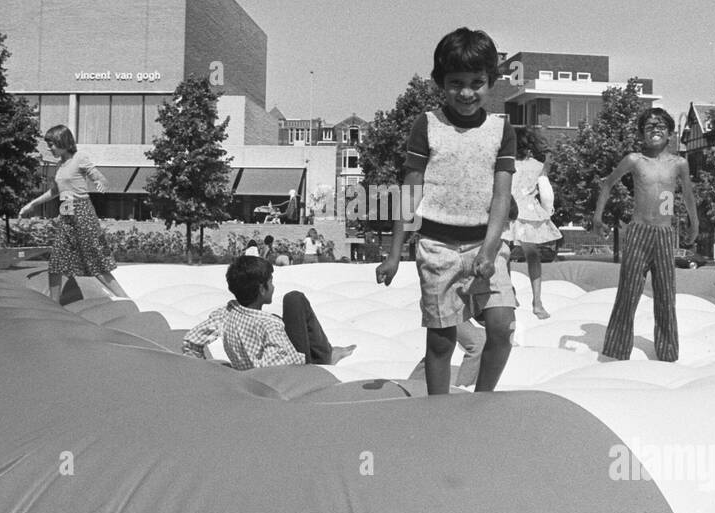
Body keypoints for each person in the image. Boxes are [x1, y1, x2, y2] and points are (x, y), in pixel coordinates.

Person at [375, 26, 518, 395]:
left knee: (501, 326)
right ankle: (438, 409)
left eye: (477, 82)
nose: (466, 92)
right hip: (437, 245)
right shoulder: (428, 125)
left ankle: (483, 399)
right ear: (441, 81)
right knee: (441, 340)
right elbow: (409, 190)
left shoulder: (501, 130)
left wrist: (489, 250)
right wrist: (393, 254)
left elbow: (501, 196)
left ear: (491, 81)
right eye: (456, 82)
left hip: (485, 242)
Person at [589, 107, 699, 362]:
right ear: (641, 134)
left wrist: (695, 224)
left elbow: (689, 195)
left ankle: (668, 352)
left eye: (661, 125)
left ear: (670, 133)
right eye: (649, 126)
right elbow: (607, 184)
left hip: (664, 233)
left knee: (665, 294)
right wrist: (597, 216)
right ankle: (617, 349)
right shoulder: (634, 160)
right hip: (638, 232)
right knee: (628, 291)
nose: (656, 130)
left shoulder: (679, 163)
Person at [19, 125, 130, 303]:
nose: (50, 149)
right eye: (48, 145)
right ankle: (54, 305)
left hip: (82, 212)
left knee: (94, 262)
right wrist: (32, 204)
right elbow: (55, 191)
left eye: (52, 144)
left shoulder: (80, 158)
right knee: (56, 262)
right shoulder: (60, 165)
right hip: (66, 212)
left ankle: (126, 299)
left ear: (63, 142)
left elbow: (99, 177)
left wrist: (100, 183)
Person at [181, 255, 355, 368]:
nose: (273, 286)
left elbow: (191, 342)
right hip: (297, 374)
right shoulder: (269, 326)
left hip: (249, 372)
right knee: (294, 299)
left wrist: (209, 371)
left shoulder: (225, 314)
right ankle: (327, 356)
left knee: (289, 305)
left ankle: (326, 353)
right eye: (271, 282)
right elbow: (281, 368)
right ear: (262, 289)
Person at [502, 126, 562, 319]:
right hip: (528, 212)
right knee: (533, 255)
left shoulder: (504, 163)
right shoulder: (538, 165)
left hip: (507, 211)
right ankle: (537, 302)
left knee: (504, 254)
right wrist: (548, 211)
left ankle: (509, 291)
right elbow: (546, 192)